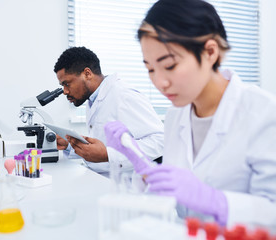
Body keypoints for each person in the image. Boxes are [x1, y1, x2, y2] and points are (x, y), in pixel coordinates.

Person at [104, 0, 276, 227]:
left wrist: (217, 202)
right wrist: (140, 161)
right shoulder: (177, 114)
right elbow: (177, 200)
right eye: (150, 69)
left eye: (170, 65)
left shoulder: (264, 112)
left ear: (210, 52)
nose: (159, 82)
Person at [53, 46, 164, 176]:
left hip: (126, 184)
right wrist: (69, 145)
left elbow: (160, 141)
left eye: (67, 84)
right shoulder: (93, 98)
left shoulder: (124, 95)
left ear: (87, 74)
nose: (65, 91)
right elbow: (101, 145)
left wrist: (108, 155)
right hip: (100, 177)